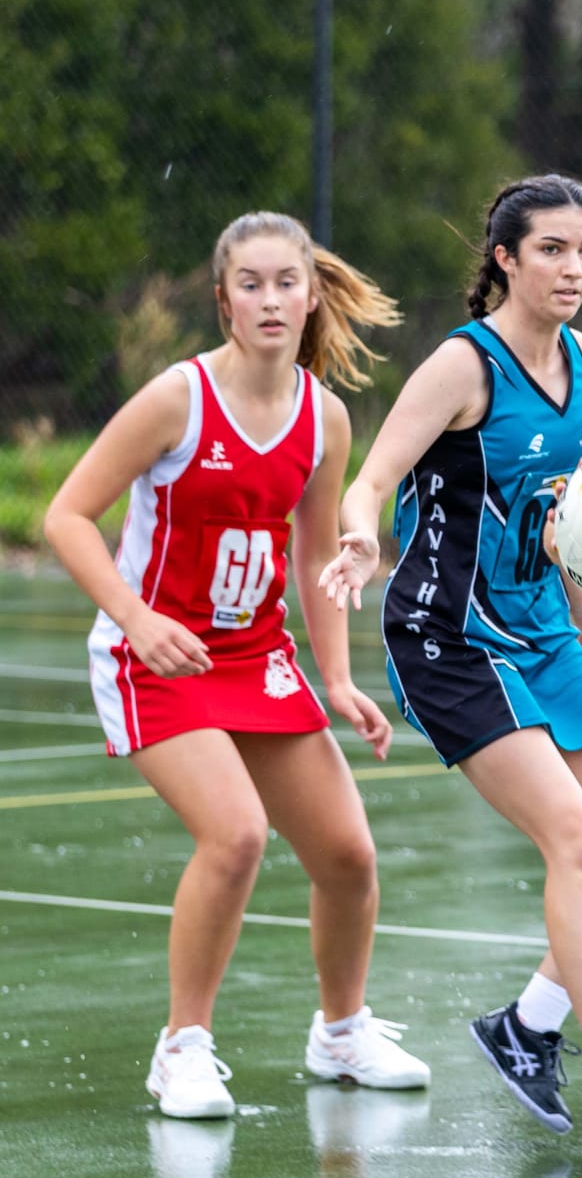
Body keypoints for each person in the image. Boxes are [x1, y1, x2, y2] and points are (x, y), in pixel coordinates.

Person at [320, 174, 582, 1154]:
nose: (574, 268)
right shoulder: (463, 367)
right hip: (449, 639)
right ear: (504, 257)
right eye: (552, 249)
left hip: (544, 630)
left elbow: (563, 515)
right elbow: (371, 478)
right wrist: (357, 539)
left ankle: (528, 1025)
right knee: (580, 843)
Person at [44, 211, 431, 1119]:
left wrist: (335, 678)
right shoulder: (176, 400)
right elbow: (66, 516)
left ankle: (340, 1033)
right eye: (249, 284)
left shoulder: (323, 418)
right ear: (222, 301)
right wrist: (135, 620)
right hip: (158, 657)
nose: (268, 299)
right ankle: (182, 1046)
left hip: (255, 655)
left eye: (284, 283)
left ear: (310, 295)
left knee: (347, 854)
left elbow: (315, 555)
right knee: (238, 835)